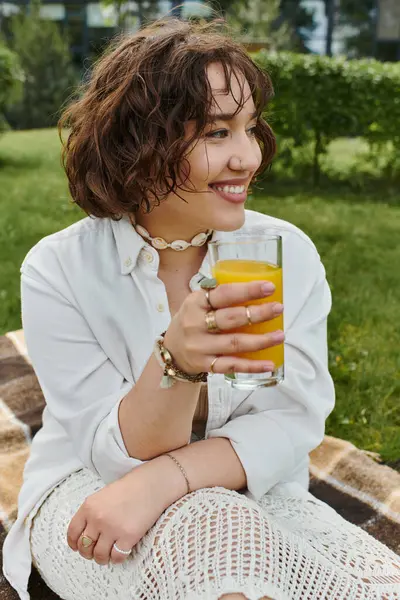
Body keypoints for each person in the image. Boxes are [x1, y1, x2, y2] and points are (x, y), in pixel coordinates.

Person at [3, 16, 400, 600]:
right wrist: (177, 361)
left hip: (254, 490)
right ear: (138, 141)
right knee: (217, 543)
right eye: (217, 133)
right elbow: (114, 455)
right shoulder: (59, 269)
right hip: (95, 498)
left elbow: (292, 419)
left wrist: (171, 478)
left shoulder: (283, 254)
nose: (248, 158)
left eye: (250, 128)